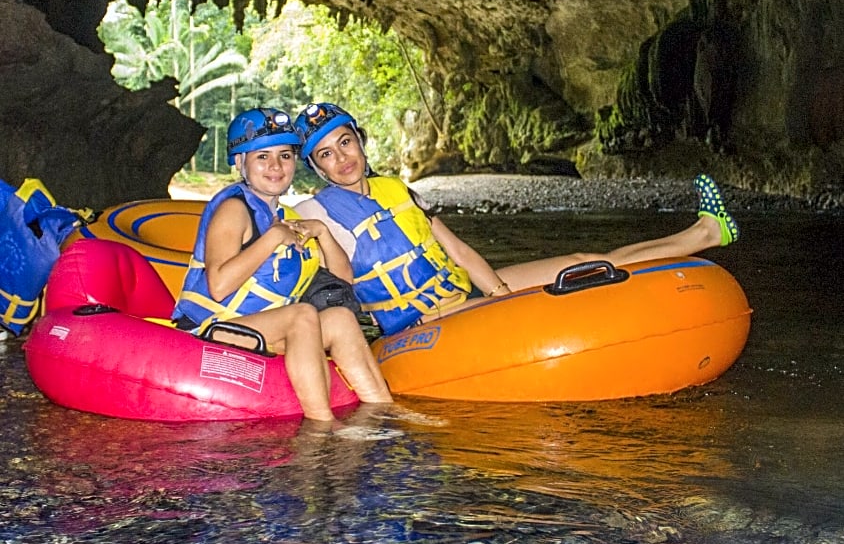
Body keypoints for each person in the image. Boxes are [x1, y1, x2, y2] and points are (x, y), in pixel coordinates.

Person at [292, 102, 741, 336]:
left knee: (587, 259)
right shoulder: (315, 212)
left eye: (346, 142)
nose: (342, 159)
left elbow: (459, 251)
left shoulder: (397, 189)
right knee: (552, 300)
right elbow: (329, 280)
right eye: (326, 154)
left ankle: (706, 232)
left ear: (361, 142)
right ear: (318, 167)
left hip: (463, 295)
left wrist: (500, 294)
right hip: (421, 325)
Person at [171, 107, 392, 422]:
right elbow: (218, 286)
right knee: (302, 315)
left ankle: (384, 412)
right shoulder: (235, 209)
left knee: (341, 318)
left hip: (258, 328)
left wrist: (324, 233)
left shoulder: (286, 219)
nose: (276, 166)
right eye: (262, 157)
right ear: (240, 162)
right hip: (209, 331)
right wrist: (272, 238)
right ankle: (321, 428)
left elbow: (344, 281)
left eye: (285, 156)